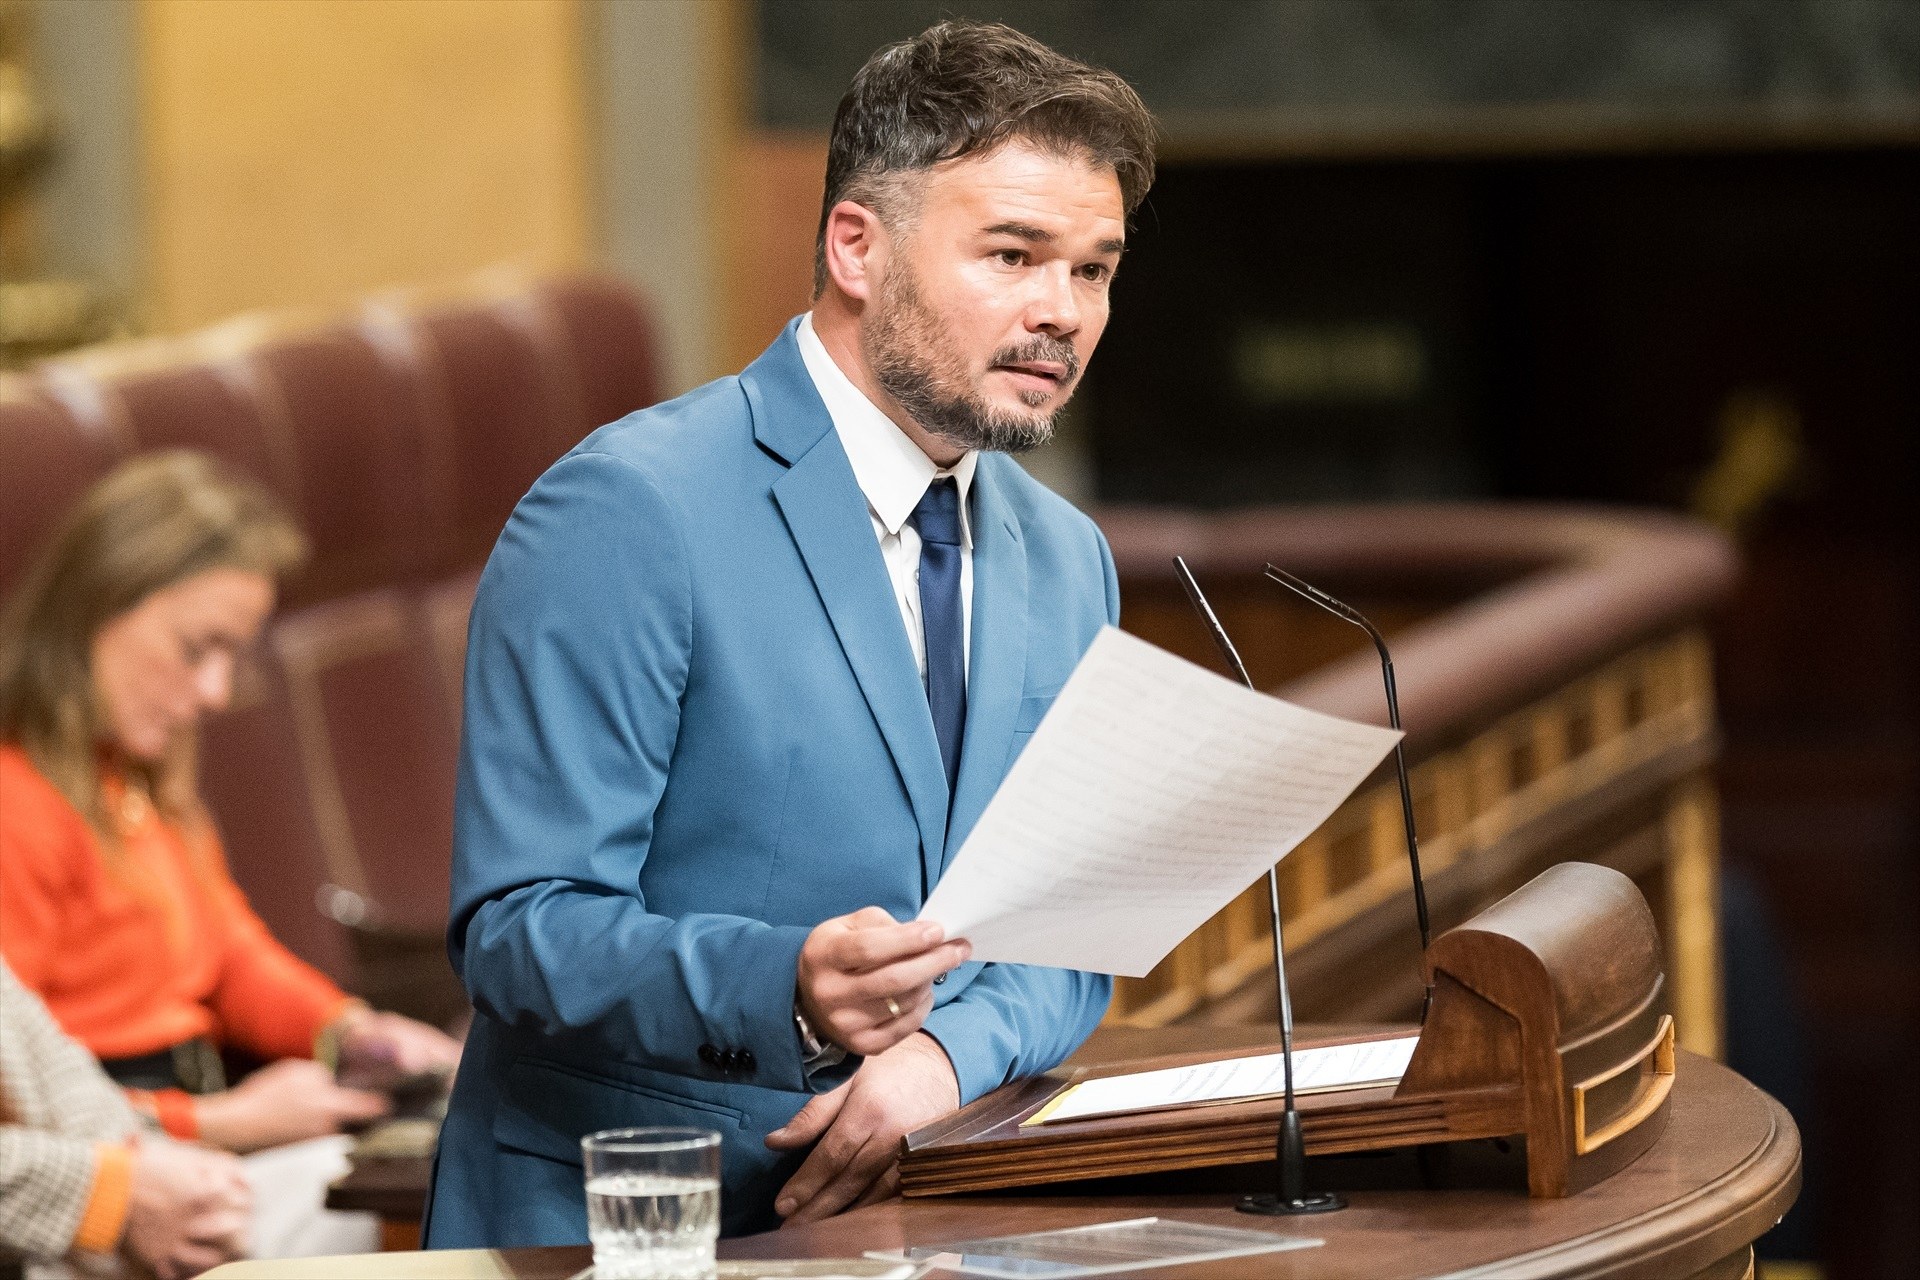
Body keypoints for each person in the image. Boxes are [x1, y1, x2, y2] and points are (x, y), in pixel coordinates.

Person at [426, 20, 1155, 1245]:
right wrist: (788, 988)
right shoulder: (630, 508)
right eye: (1014, 255)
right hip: (626, 1227)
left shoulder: (1068, 555)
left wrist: (939, 1056)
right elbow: (520, 925)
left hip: (926, 1216)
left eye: (1092, 270)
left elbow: (1066, 929)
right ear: (856, 246)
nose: (1061, 313)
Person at [0, 450, 462, 1254]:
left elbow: (228, 953)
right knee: (436, 1204)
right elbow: (26, 1104)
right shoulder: (16, 802)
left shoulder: (137, 780)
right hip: (125, 1176)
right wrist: (224, 1123)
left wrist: (348, 1033)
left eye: (231, 656)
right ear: (97, 608)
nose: (215, 692)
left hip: (192, 1134)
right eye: (194, 647)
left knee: (454, 1165)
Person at [2, 960, 251, 1280]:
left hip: (141, 1148)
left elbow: (50, 1058)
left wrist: (143, 1161)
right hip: (52, 1232)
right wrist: (114, 1190)